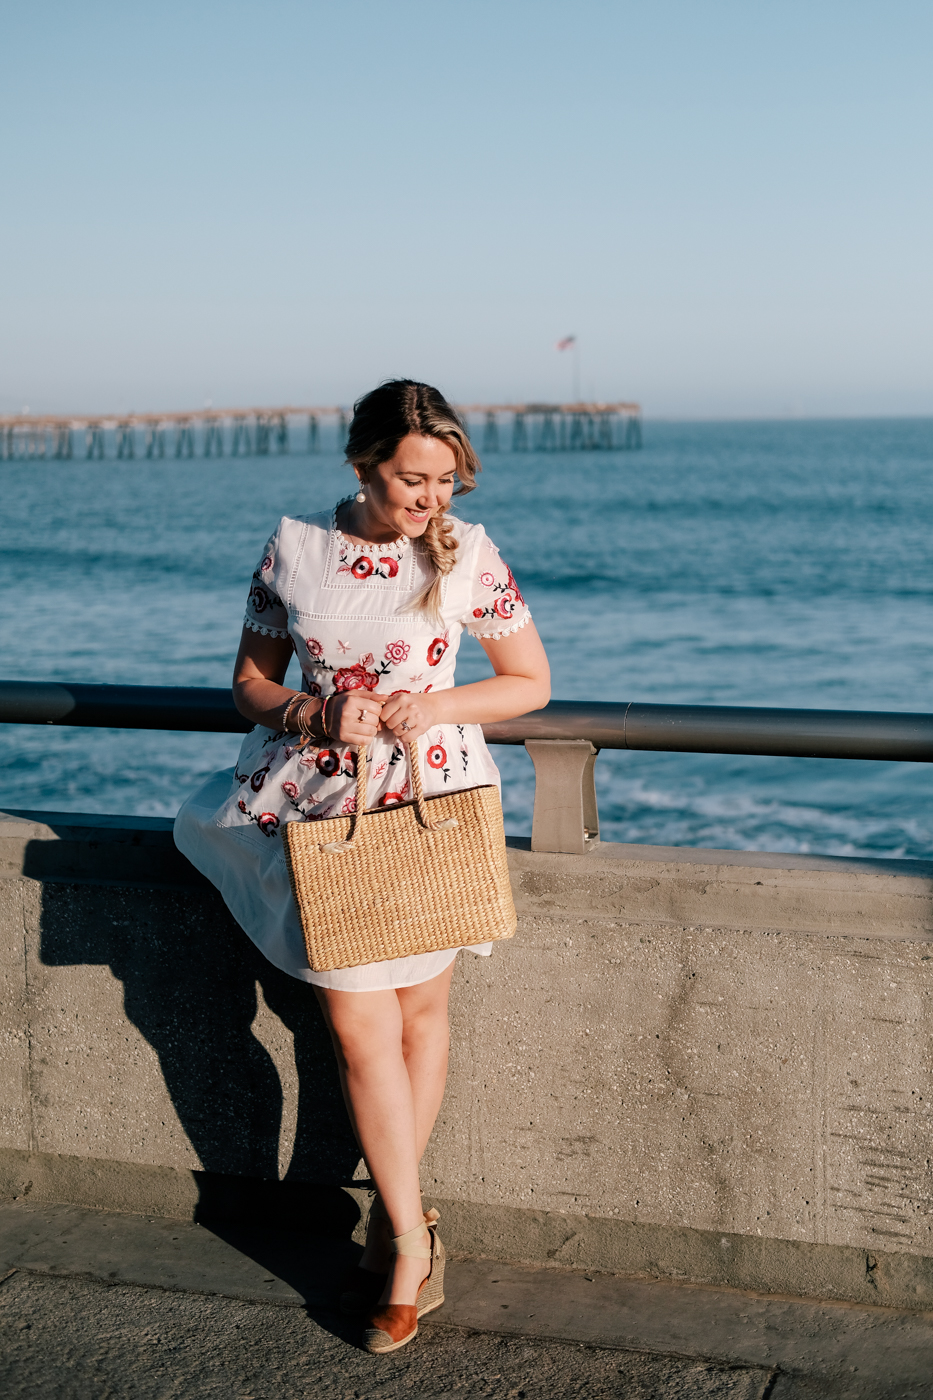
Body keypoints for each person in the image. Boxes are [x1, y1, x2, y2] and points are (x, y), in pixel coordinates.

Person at [174, 379, 550, 1353]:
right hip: (324, 805)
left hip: (431, 799)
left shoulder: (467, 551)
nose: (431, 498)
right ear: (361, 463)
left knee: (423, 1015)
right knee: (354, 1023)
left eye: (445, 479)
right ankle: (413, 1231)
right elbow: (250, 683)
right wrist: (309, 709)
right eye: (409, 477)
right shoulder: (294, 549)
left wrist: (439, 703)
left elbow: (530, 683)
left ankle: (400, 1236)